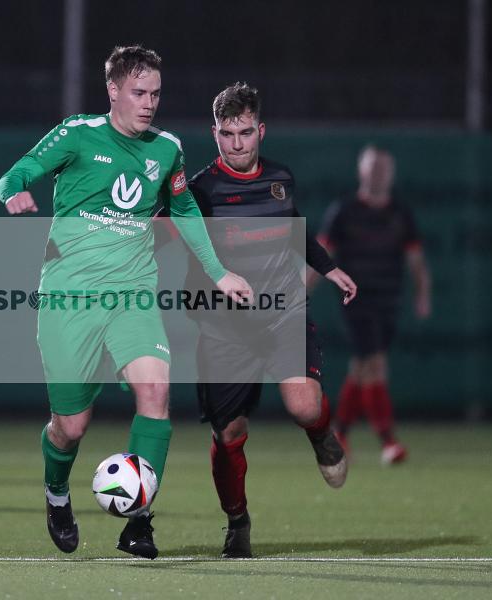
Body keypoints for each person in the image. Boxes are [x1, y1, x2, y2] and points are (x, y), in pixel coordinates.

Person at [0, 46, 251, 559]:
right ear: (112, 90)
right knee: (71, 427)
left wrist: (220, 272)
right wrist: (14, 194)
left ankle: (138, 523)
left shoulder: (168, 150)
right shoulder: (77, 134)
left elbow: (183, 211)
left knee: (154, 391)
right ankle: (56, 492)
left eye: (156, 93)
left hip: (132, 296)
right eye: (139, 92)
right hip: (70, 299)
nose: (149, 103)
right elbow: (14, 174)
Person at [169, 82, 356, 558]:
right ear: (214, 134)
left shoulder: (281, 179)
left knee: (304, 407)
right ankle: (238, 522)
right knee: (228, 433)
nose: (237, 143)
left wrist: (328, 266)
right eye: (227, 134)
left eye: (246, 132)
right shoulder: (199, 192)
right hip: (224, 328)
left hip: (282, 315)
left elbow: (295, 225)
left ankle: (322, 438)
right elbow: (167, 238)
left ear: (261, 130)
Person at [314, 146, 431, 465]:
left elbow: (416, 260)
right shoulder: (345, 210)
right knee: (376, 364)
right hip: (356, 299)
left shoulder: (400, 213)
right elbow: (321, 257)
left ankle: (338, 434)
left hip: (389, 300)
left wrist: (422, 293)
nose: (378, 173)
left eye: (383, 168)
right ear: (361, 172)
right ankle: (388, 441)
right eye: (372, 167)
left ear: (391, 174)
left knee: (363, 367)